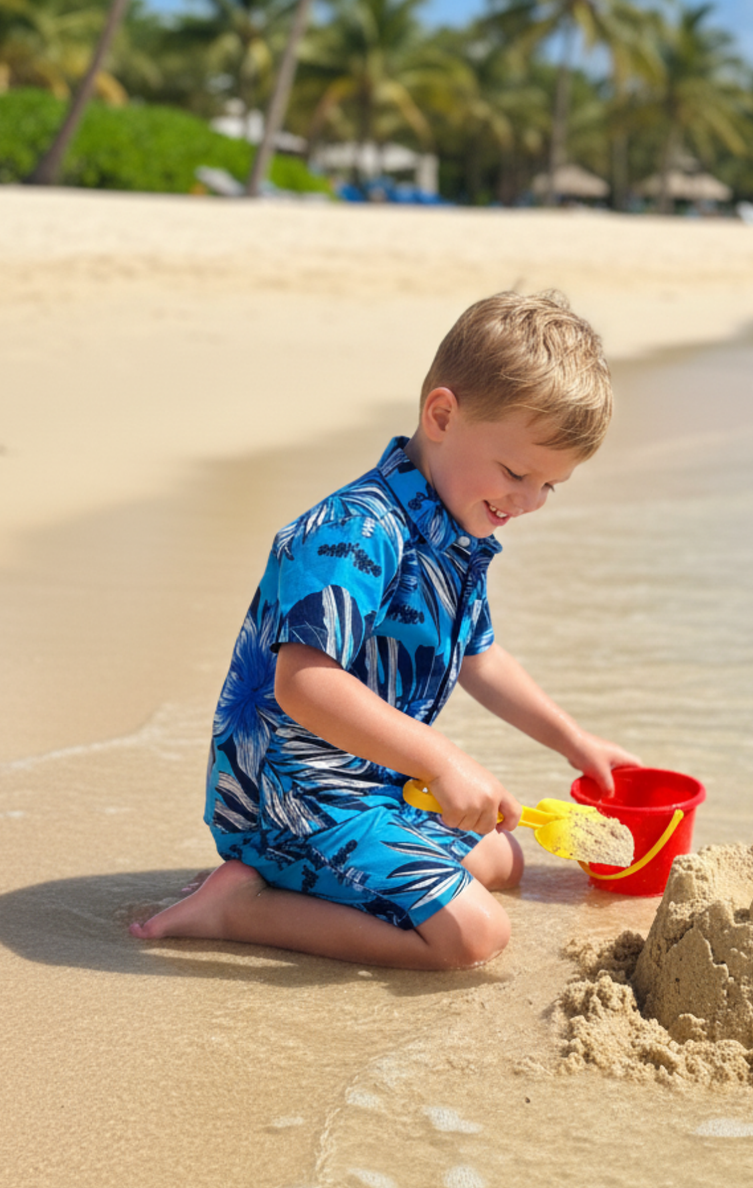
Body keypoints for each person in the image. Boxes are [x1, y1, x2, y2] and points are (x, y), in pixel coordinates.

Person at [131, 291, 640, 969]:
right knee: (473, 937)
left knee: (503, 858)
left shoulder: (455, 530)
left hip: (369, 784)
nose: (529, 501)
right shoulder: (355, 533)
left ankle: (299, 886)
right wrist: (441, 760)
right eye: (517, 472)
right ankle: (241, 906)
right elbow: (304, 685)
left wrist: (574, 743)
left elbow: (479, 658)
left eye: (551, 486)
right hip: (292, 797)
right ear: (441, 415)